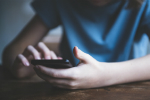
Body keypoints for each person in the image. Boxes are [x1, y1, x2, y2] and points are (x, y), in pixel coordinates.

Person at [2, 0, 150, 89]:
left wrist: (103, 76)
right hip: (67, 92)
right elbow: (12, 50)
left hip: (129, 89)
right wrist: (23, 66)